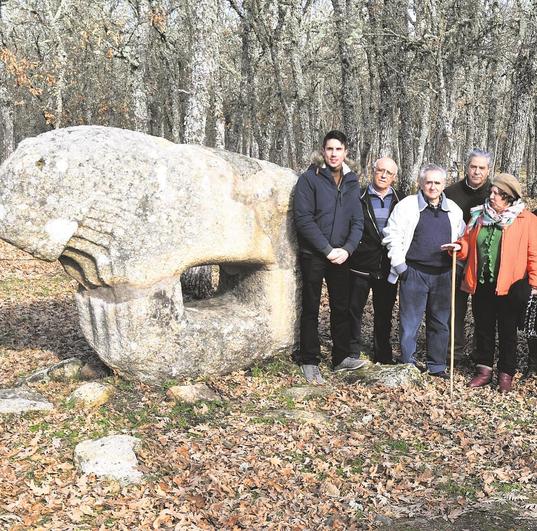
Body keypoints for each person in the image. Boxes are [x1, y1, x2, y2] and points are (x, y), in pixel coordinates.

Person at [442, 174, 537, 392]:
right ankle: (483, 370)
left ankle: (506, 373)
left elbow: (534, 254)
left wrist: (533, 284)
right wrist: (458, 248)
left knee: (507, 332)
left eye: (497, 193)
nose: (491, 195)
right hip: (481, 283)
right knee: (483, 328)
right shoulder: (478, 215)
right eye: (492, 191)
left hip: (510, 286)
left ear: (509, 197)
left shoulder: (527, 220)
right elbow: (467, 241)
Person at [293, 130, 364, 384]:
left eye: (338, 149)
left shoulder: (352, 180)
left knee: (341, 307)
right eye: (329, 149)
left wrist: (347, 249)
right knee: (311, 306)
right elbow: (303, 219)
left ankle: (341, 357)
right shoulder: (309, 179)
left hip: (342, 255)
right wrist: (327, 249)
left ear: (346, 152)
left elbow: (357, 219)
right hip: (315, 253)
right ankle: (309, 359)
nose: (334, 154)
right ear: (323, 151)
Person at [382, 163, 464, 378]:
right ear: (420, 183)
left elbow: (463, 238)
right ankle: (407, 363)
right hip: (414, 272)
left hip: (444, 274)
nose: (433, 186)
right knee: (410, 322)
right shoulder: (407, 206)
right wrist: (401, 267)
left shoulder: (454, 210)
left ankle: (436, 365)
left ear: (444, 185)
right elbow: (392, 235)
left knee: (440, 322)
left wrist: (458, 248)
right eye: (428, 182)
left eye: (437, 182)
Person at [348, 157, 404, 364]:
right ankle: (351, 349)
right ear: (373, 171)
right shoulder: (357, 196)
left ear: (394, 177)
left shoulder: (402, 200)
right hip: (360, 265)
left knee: (384, 313)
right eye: (380, 170)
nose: (383, 175)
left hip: (388, 267)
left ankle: (382, 353)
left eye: (388, 173)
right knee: (353, 309)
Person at [444, 149, 491, 358]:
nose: (477, 172)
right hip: (457, 259)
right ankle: (454, 351)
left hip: (485, 260)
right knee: (456, 307)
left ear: (488, 170)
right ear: (467, 167)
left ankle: (481, 354)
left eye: (482, 168)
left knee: (483, 311)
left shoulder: (495, 193)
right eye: (473, 166)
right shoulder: (451, 193)